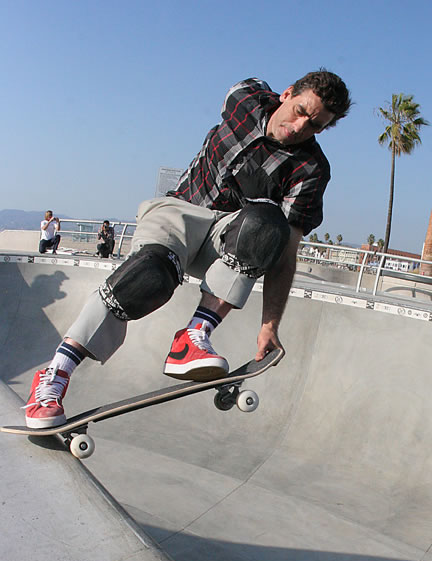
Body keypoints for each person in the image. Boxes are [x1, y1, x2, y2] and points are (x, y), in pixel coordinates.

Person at [24, 71, 352, 428]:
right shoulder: (245, 98)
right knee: (148, 276)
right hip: (179, 211)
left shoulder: (311, 169)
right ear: (287, 94)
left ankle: (193, 338)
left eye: (316, 126)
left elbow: (285, 254)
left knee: (270, 225)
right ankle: (54, 375)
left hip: (226, 239)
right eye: (301, 111)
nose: (300, 127)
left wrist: (269, 325)